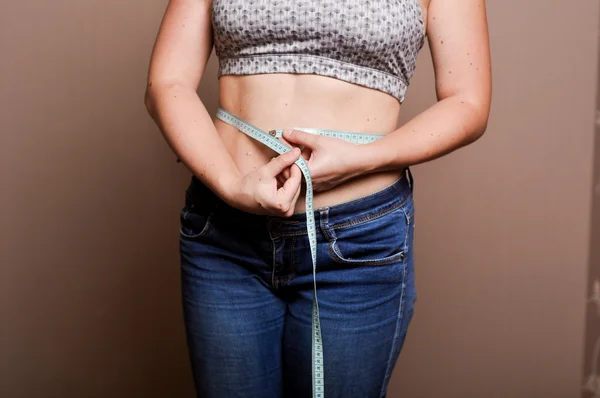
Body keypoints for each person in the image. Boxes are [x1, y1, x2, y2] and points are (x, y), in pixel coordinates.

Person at [144, 0, 491, 397]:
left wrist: (361, 159)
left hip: (358, 247)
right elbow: (166, 82)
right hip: (224, 236)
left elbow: (469, 102)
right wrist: (230, 185)